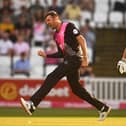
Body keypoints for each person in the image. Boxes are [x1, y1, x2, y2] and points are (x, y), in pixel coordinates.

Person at [20, 11, 111, 121]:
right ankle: (102, 108)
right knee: (76, 89)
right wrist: (46, 55)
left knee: (52, 77)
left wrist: (86, 58)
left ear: (56, 18)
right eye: (46, 22)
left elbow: (82, 40)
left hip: (75, 59)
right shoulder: (56, 35)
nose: (47, 23)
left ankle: (32, 104)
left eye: (49, 20)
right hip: (69, 60)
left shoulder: (68, 26)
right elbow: (61, 53)